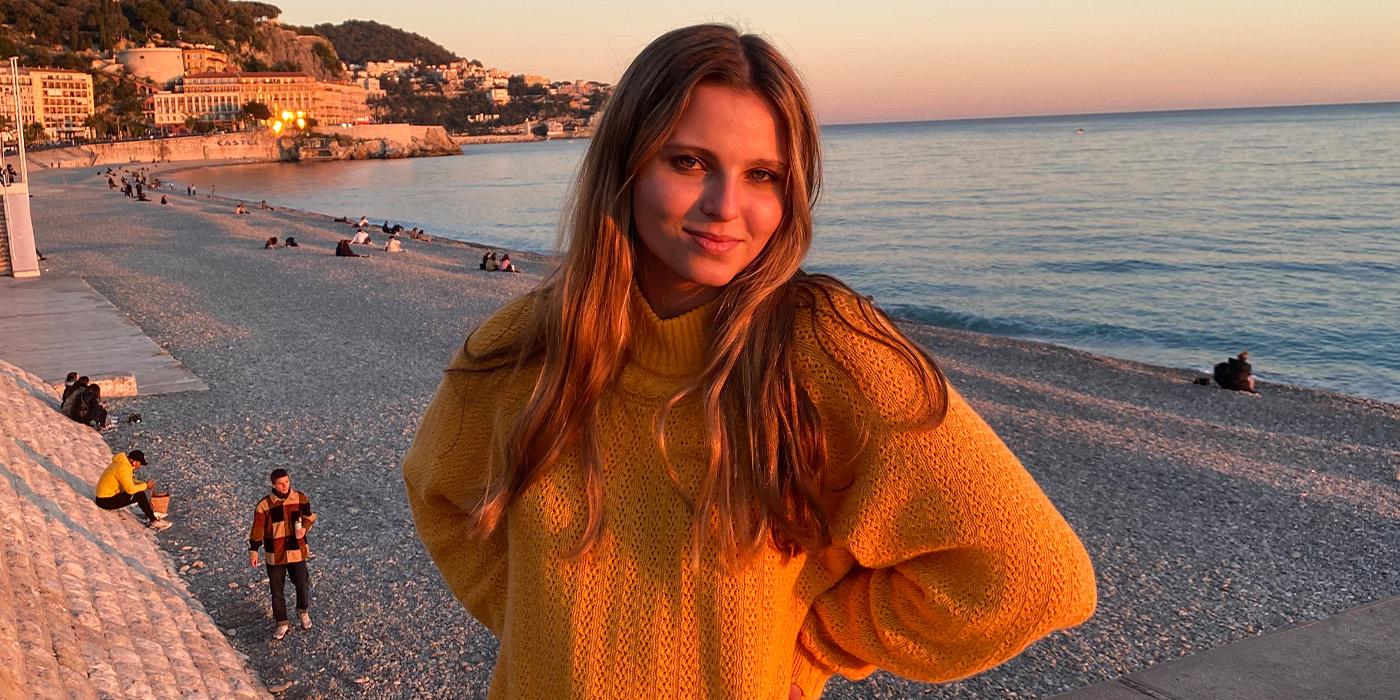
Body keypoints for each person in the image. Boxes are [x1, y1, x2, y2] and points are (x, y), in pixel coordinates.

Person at [402, 24, 1096, 700]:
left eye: (761, 174)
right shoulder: (525, 345)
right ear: (627, 164)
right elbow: (438, 499)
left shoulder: (822, 348)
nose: (725, 207)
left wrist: (817, 644)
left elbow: (1032, 574)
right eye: (689, 162)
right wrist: (547, 629)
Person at [248, 468, 317, 640]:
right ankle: (282, 623)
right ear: (273, 484)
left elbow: (309, 517)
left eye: (287, 482)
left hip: (297, 552)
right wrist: (254, 550)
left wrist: (305, 529)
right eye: (280, 484)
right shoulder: (264, 505)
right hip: (275, 554)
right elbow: (257, 529)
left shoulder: (301, 498)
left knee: (302, 582)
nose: (285, 486)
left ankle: (303, 611)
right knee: (276, 590)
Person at [94, 450, 170, 531]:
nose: (139, 466)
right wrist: (146, 486)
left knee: (139, 492)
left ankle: (149, 513)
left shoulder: (122, 464)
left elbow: (130, 481)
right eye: (139, 463)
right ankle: (153, 521)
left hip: (103, 498)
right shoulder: (123, 468)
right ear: (134, 462)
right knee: (139, 495)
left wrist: (144, 484)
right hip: (105, 502)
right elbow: (130, 489)